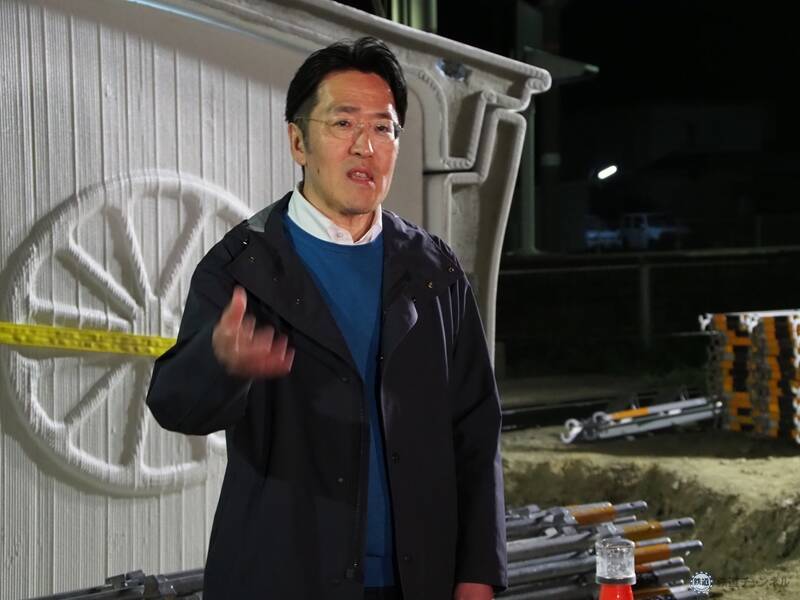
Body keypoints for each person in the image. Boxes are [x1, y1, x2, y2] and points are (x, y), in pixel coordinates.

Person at [146, 36, 506, 600]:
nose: (366, 146)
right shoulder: (243, 265)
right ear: (298, 141)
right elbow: (173, 406)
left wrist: (478, 573)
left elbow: (476, 428)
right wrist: (219, 360)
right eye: (343, 123)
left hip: (418, 580)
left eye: (383, 128)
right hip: (284, 576)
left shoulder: (433, 269)